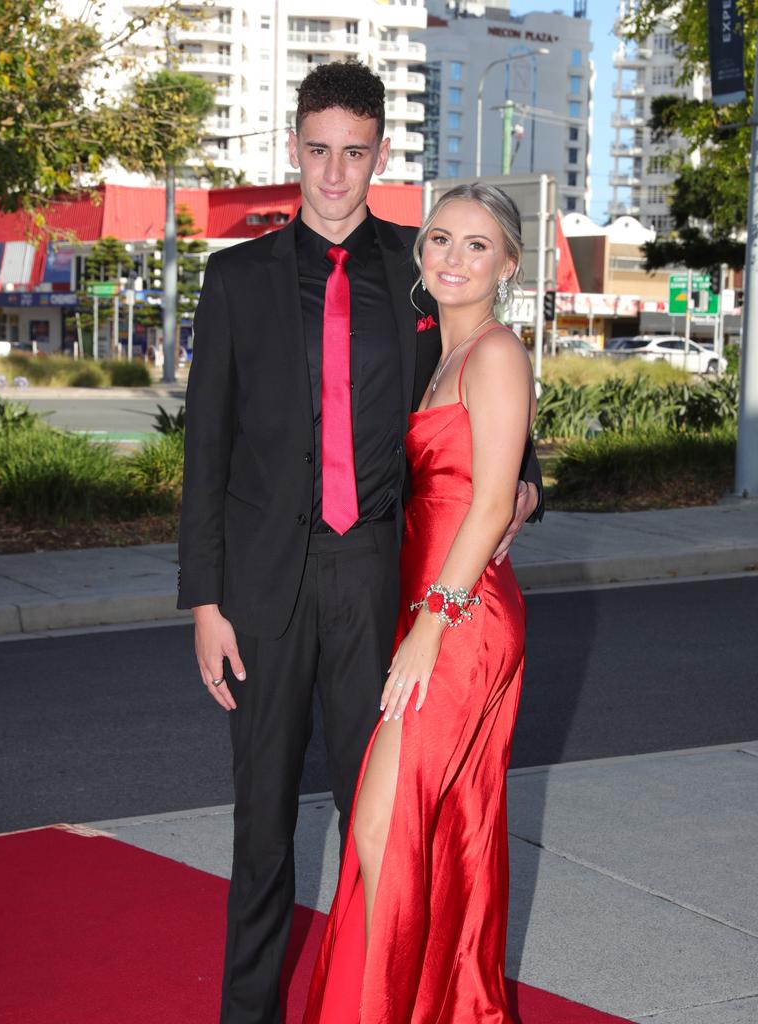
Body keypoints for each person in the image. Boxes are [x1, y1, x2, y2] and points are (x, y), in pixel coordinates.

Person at [177, 62, 542, 1024]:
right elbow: (204, 448)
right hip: (261, 588)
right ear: (293, 150)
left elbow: (490, 421)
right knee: (262, 829)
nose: (335, 171)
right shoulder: (236, 278)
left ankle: (385, 997)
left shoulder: (418, 273)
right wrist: (206, 604)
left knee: (379, 818)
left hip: (381, 580)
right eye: (318, 149)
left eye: (355, 151)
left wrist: (522, 493)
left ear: (380, 155)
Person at [303, 183, 535, 1024]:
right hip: (431, 608)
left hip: (461, 618)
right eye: (441, 239)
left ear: (509, 264)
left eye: (478, 246)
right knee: (403, 832)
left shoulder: (498, 354)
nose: (453, 258)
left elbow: (488, 501)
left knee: (381, 828)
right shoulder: (441, 351)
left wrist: (430, 630)